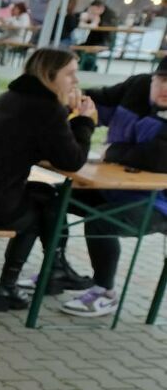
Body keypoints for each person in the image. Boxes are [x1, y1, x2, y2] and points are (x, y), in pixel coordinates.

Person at [0, 48, 97, 311]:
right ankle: (10, 287)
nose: (76, 81)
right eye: (70, 74)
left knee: (48, 196)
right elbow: (71, 160)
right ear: (49, 76)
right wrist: (84, 121)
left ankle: (54, 269)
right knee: (41, 213)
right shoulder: (47, 110)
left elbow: (51, 146)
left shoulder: (8, 98)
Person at [62, 57, 167, 316]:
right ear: (153, 77)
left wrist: (114, 151)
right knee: (53, 200)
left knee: (101, 222)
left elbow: (157, 159)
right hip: (113, 187)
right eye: (164, 80)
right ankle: (55, 269)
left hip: (158, 203)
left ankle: (104, 292)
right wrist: (71, 101)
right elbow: (98, 103)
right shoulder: (137, 86)